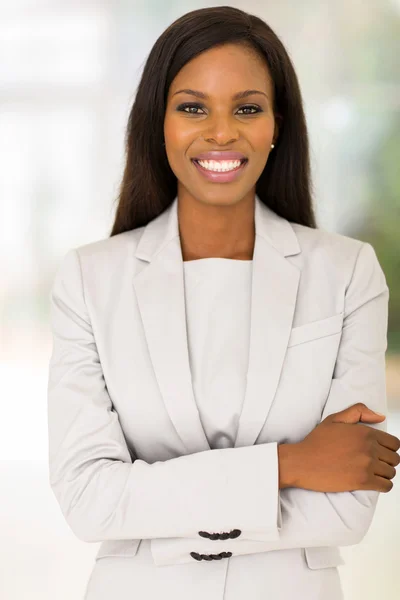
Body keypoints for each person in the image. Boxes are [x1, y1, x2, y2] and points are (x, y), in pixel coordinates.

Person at [47, 6, 400, 600]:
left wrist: (154, 510)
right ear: (158, 123)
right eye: (192, 107)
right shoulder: (89, 280)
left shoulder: (346, 273)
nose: (220, 132)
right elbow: (88, 500)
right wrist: (289, 466)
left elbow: (348, 509)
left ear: (276, 125)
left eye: (246, 108)